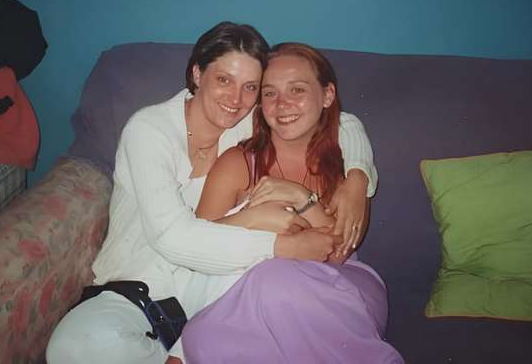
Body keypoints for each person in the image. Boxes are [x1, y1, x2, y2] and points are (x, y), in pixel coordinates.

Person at [46, 23, 378, 364]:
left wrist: (357, 176)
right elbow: (172, 239)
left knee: (263, 276)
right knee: (70, 351)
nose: (236, 100)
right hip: (138, 292)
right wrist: (263, 230)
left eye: (251, 87)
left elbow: (338, 120)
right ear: (196, 73)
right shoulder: (149, 130)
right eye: (223, 80)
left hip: (218, 287)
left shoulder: (248, 120)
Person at [181, 42, 402, 363]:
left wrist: (301, 198)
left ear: (327, 96)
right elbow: (196, 249)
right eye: (270, 93)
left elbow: (338, 251)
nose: (282, 104)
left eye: (297, 89)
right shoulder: (238, 163)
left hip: (344, 289)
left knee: (270, 284)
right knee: (215, 326)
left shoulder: (349, 167)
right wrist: (255, 220)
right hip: (257, 298)